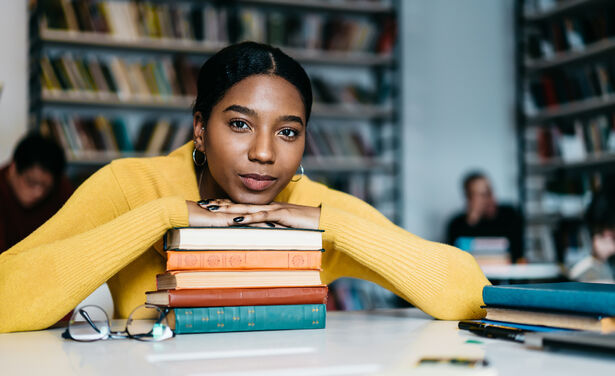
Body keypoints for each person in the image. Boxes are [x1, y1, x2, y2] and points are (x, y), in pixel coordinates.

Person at [0, 42, 489, 333]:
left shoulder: (310, 207)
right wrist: (165, 216)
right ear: (199, 128)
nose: (264, 152)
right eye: (239, 124)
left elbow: (473, 296)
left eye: (288, 132)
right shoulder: (133, 186)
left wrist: (331, 226)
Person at [0, 133, 73, 253]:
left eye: (46, 187)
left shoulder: (62, 189)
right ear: (13, 167)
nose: (38, 193)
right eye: (30, 182)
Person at [446, 171, 523, 263]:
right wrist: (472, 220)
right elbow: (454, 259)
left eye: (490, 192)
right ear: (469, 198)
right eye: (483, 195)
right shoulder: (456, 224)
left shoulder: (509, 215)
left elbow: (518, 252)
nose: (489, 198)